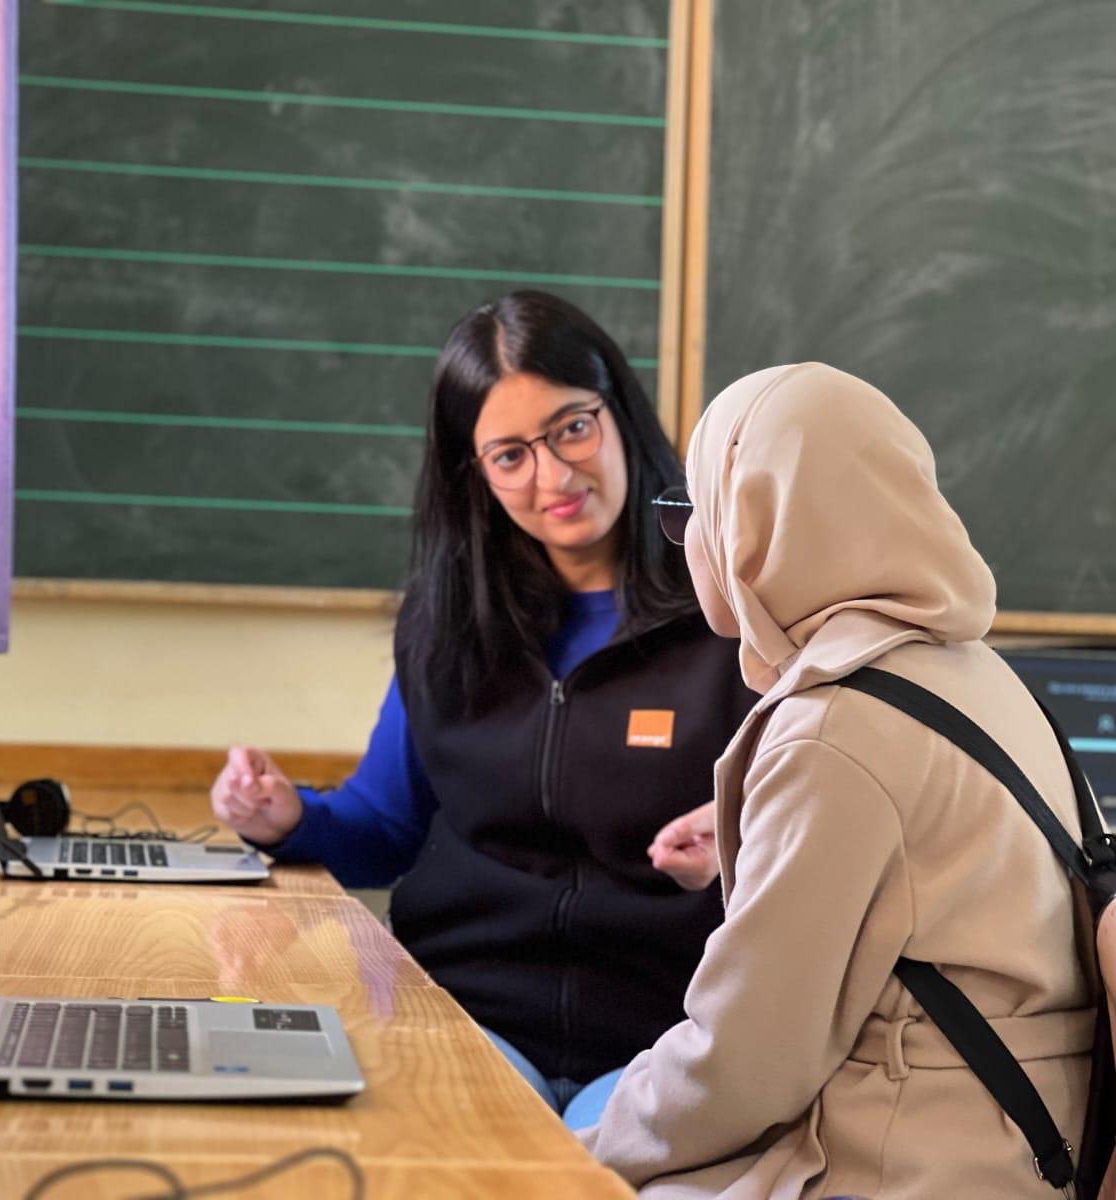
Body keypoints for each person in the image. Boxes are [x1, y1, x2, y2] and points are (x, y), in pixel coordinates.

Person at [210, 291, 754, 1118]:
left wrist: (732, 851)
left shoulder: (737, 619)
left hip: (665, 1035)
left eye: (573, 427)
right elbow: (385, 831)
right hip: (462, 1019)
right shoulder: (448, 626)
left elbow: (814, 845)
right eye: (511, 455)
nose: (555, 476)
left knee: (587, 1167)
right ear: (477, 474)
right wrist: (287, 821)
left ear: (621, 415)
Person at [581, 363, 1092, 1197]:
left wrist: (570, 1154)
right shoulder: (975, 673)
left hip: (910, 1163)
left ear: (757, 524)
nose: (692, 542)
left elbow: (743, 1065)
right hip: (1029, 1140)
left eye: (695, 512)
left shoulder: (836, 727)